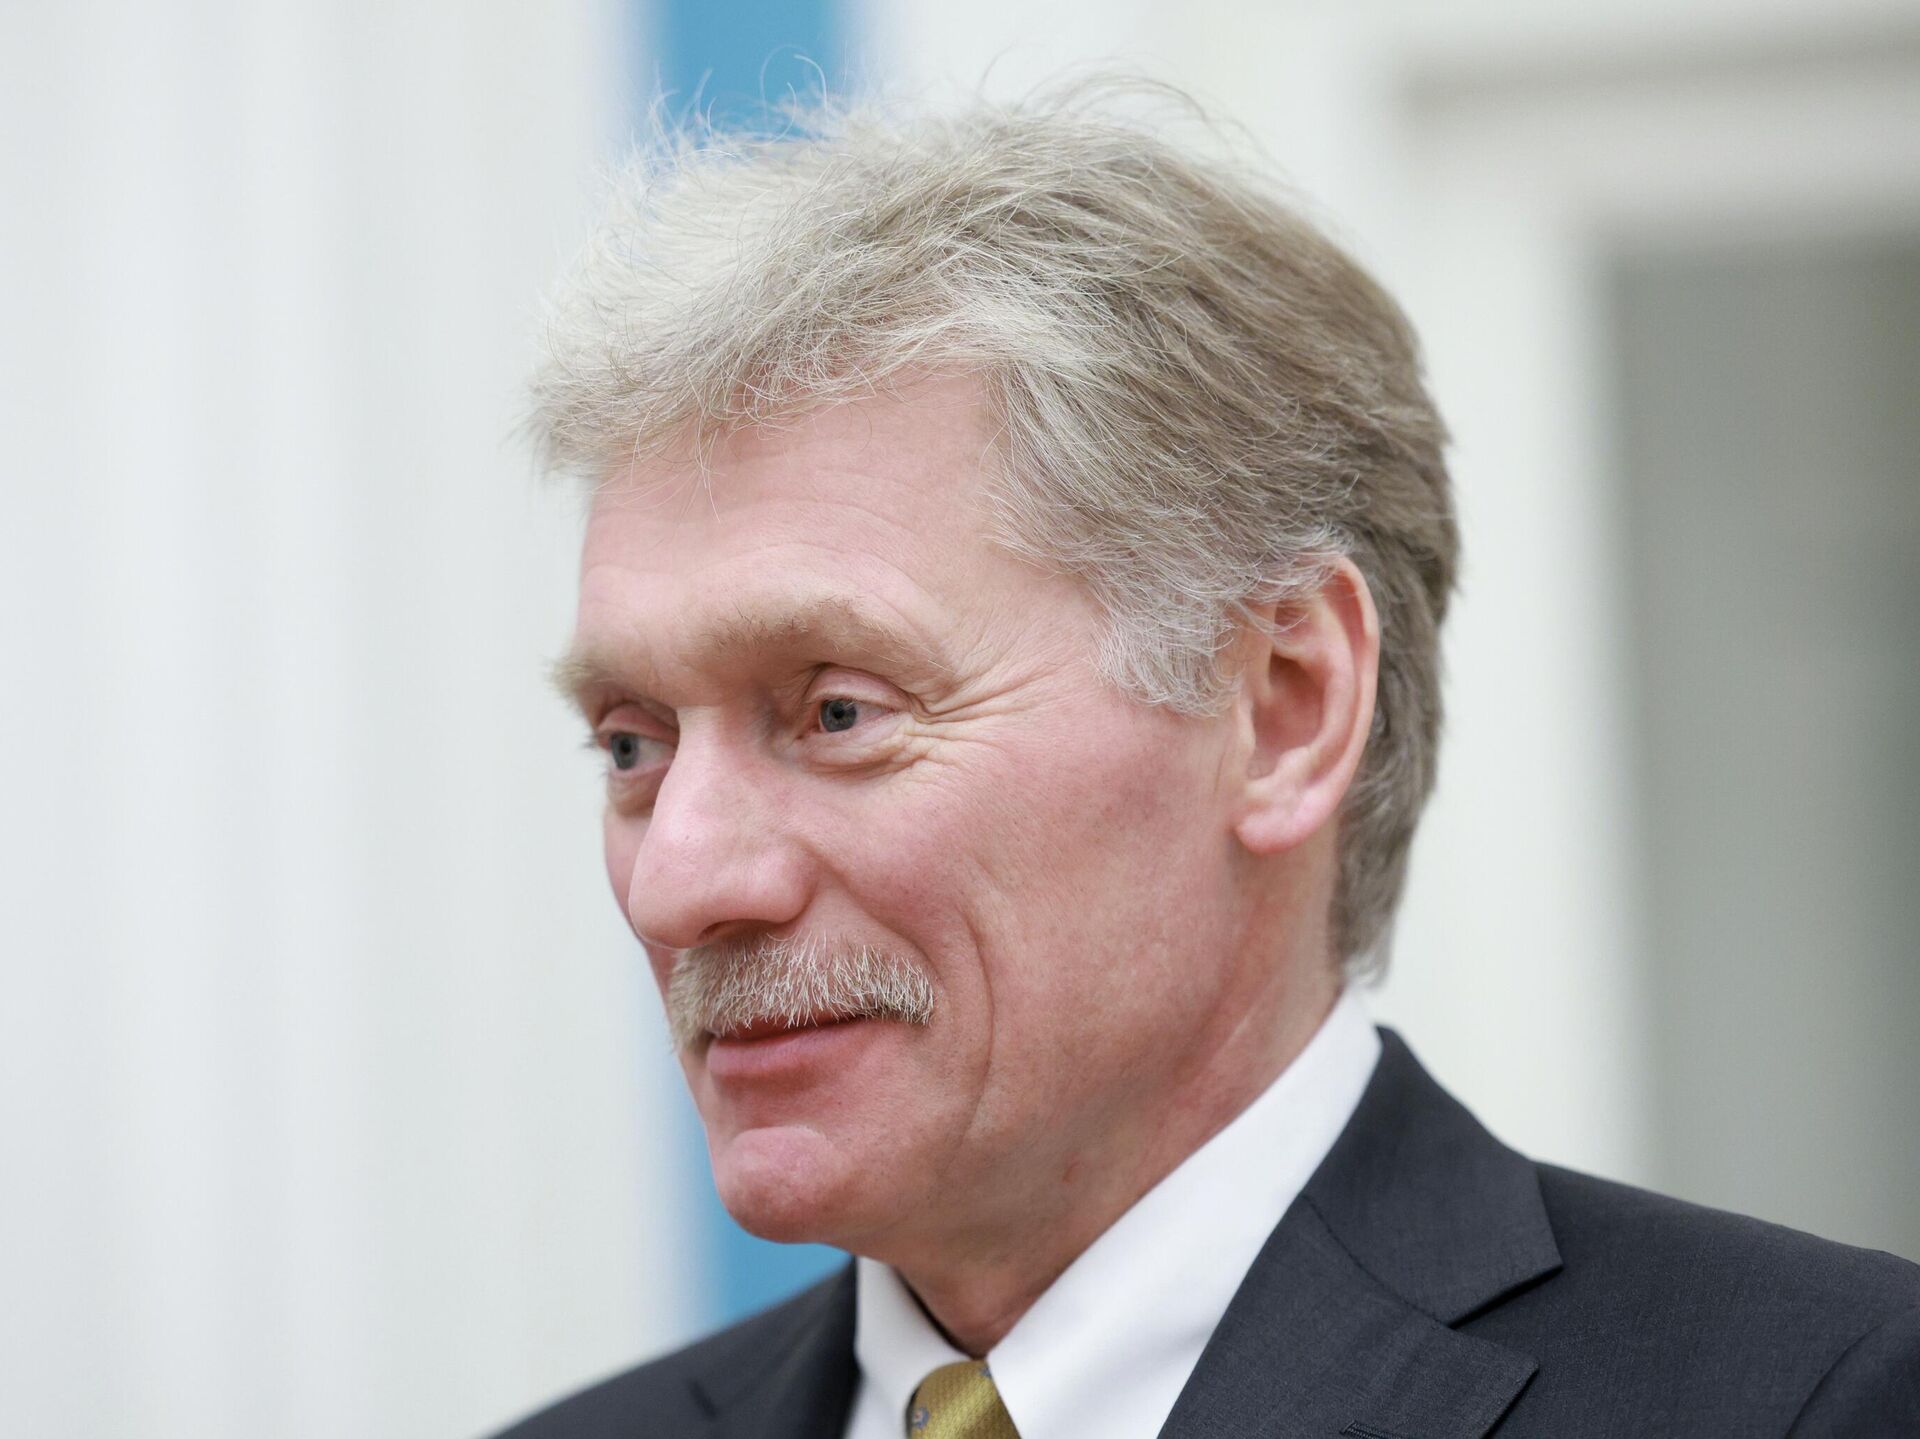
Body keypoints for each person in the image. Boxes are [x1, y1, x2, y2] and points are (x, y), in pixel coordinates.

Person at [496, 84, 1920, 1438]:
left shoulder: (1815, 1401)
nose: (679, 883)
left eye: (838, 713)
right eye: (631, 743)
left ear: (1286, 708)